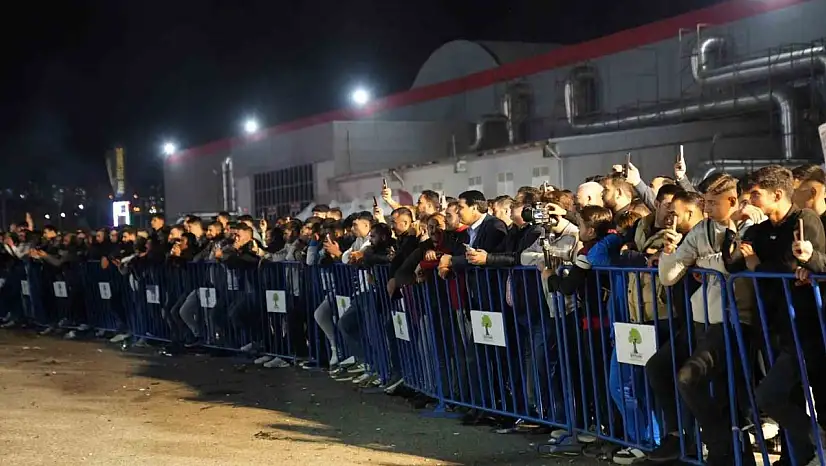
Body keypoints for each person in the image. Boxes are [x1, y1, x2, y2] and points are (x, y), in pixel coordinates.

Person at [724, 165, 826, 466]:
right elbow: (732, 263)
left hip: (805, 325)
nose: (751, 201)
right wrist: (735, 225)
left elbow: (800, 268)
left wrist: (758, 266)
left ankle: (817, 440)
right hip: (772, 325)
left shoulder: (804, 220)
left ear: (777, 194)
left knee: (773, 395)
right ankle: (801, 453)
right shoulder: (757, 229)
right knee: (787, 396)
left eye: (756, 195)